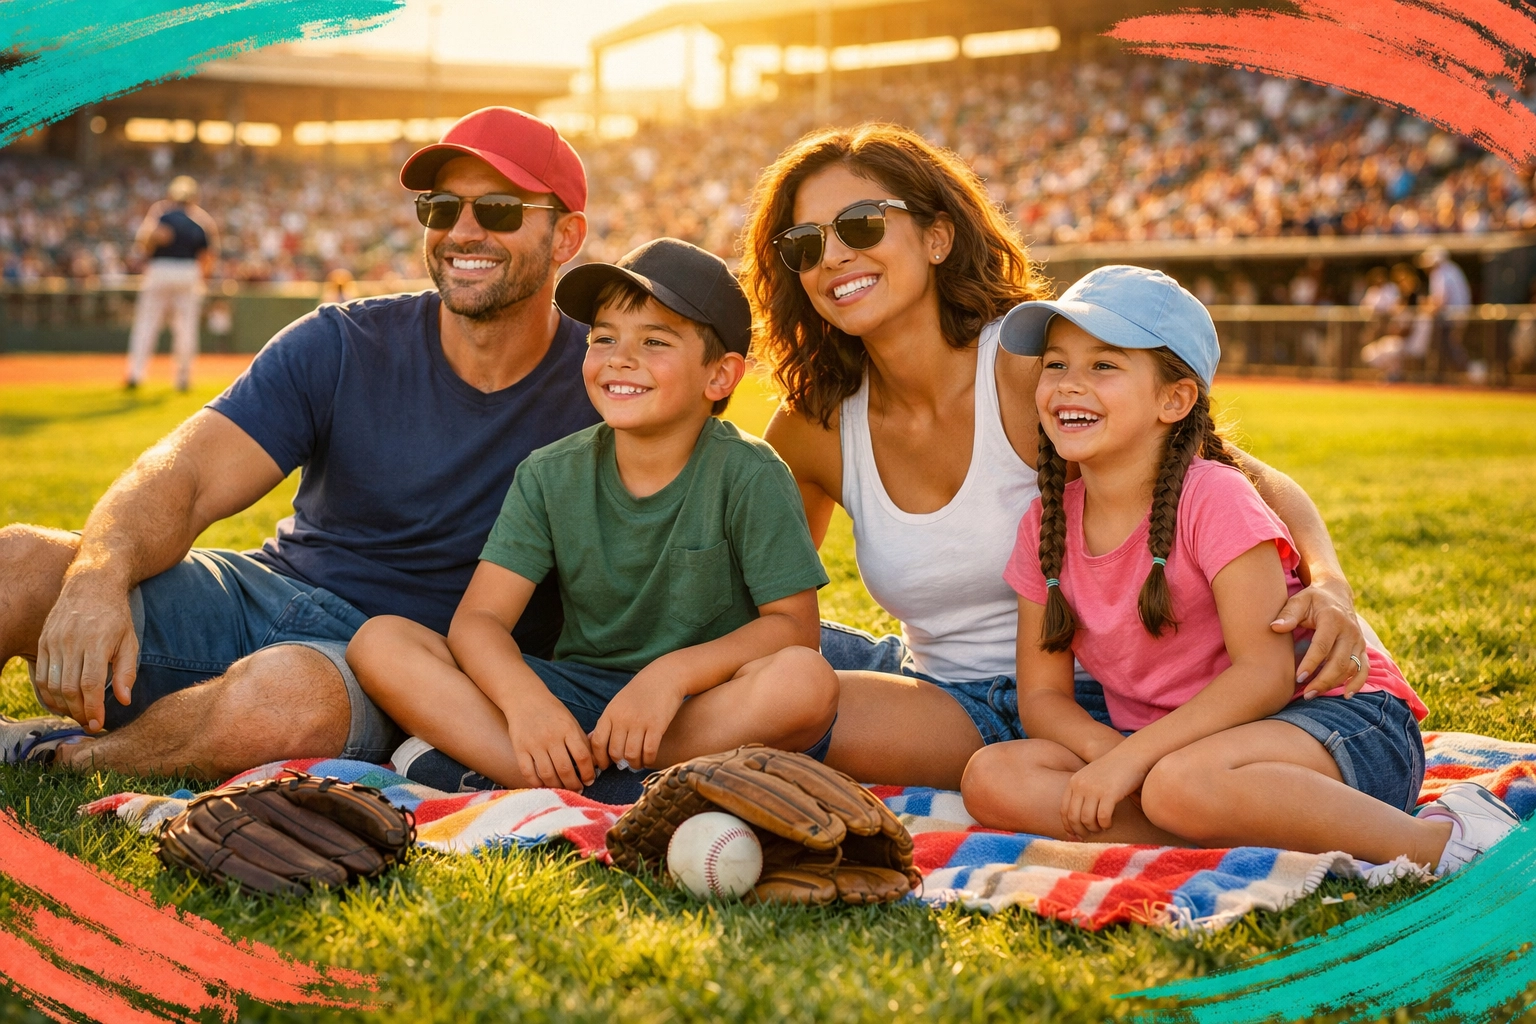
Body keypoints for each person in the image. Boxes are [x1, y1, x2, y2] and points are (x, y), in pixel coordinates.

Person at [742, 124, 1377, 790]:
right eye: (804, 243)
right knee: (749, 672)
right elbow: (761, 601)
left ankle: (638, 776)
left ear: (937, 237)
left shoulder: (1032, 370)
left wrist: (1330, 583)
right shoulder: (816, 422)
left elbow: (1233, 475)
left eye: (860, 226)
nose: (833, 256)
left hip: (1074, 705)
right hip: (927, 684)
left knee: (785, 707)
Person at [0, 107, 601, 778]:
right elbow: (188, 473)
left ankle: (64, 757)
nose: (462, 231)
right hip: (271, 593)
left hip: (401, 668)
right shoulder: (342, 341)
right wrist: (96, 578)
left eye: (497, 209)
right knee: (14, 563)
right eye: (439, 208)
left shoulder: (608, 383)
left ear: (565, 237)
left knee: (285, 702)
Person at [960, 266, 1518, 875]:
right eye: (1056, 364)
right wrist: (1111, 756)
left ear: (1174, 400)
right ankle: (1215, 823)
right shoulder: (1045, 523)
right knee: (994, 777)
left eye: (1104, 365)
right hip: (1181, 749)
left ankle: (1445, 844)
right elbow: (1042, 695)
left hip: (1331, 721)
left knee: (1179, 783)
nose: (1069, 384)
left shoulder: (1214, 497)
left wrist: (1133, 763)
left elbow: (1265, 675)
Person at [347, 239, 835, 795]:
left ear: (720, 377)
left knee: (805, 683)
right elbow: (479, 621)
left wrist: (670, 676)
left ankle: (539, 775)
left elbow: (795, 629)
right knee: (380, 642)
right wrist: (526, 704)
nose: (620, 358)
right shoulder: (550, 474)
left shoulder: (750, 472)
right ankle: (612, 780)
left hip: (694, 708)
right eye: (603, 338)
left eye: (654, 341)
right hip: (572, 696)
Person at [125, 176, 219, 391]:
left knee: (147, 324)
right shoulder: (200, 220)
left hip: (160, 269)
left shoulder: (161, 214)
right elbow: (209, 255)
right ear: (194, 197)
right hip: (188, 271)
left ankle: (135, 374)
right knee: (186, 328)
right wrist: (202, 279)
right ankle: (183, 379)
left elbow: (144, 243)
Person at [1417, 246, 1471, 377]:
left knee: (1448, 347)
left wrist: (1424, 308)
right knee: (1449, 346)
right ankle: (1459, 375)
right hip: (1458, 315)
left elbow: (1440, 301)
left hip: (1450, 318)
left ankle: (1468, 372)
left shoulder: (1441, 272)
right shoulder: (1452, 269)